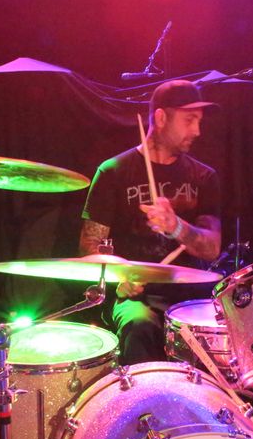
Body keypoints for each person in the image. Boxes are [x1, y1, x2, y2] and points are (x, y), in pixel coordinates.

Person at [79, 79, 222, 364]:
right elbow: (89, 246)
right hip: (135, 297)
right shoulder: (113, 172)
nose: (197, 131)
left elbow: (212, 248)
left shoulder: (204, 177)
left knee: (216, 331)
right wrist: (120, 278)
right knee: (139, 324)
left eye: (199, 121)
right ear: (161, 117)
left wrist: (176, 226)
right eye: (189, 120)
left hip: (190, 295)